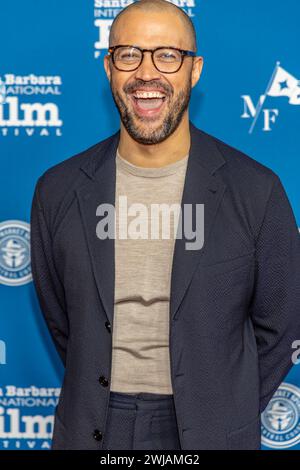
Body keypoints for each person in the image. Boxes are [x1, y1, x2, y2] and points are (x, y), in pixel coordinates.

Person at [30, 0, 300, 450]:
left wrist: (224, 404)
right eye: (129, 54)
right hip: (91, 425)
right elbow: (62, 321)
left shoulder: (256, 190)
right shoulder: (57, 191)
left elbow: (283, 322)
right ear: (109, 67)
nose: (146, 73)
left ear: (194, 70)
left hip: (211, 430)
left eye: (168, 55)